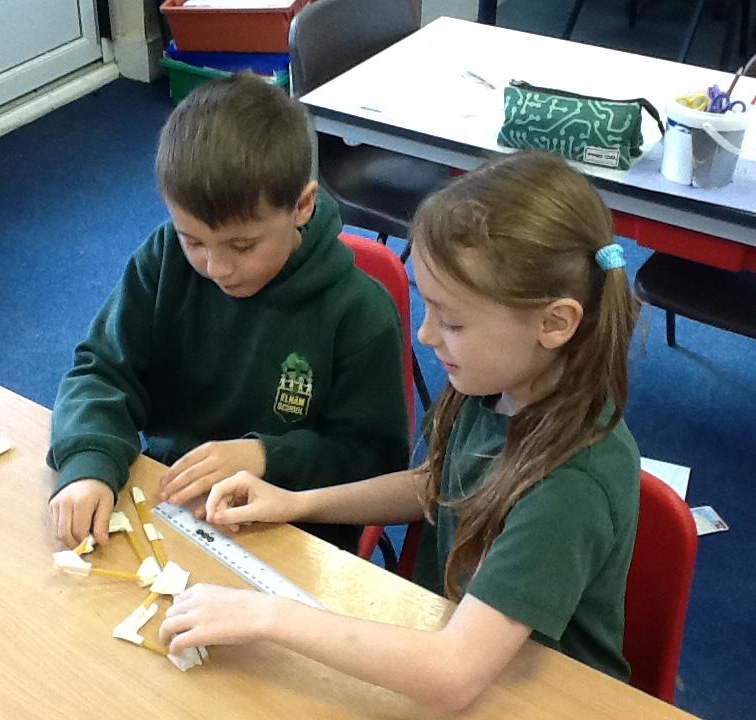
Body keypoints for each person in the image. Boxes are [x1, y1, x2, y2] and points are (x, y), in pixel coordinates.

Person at [158, 150, 641, 712]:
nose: (426, 334)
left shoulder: (570, 484)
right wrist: (298, 502)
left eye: (452, 320)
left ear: (554, 323)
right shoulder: (496, 386)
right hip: (467, 654)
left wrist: (266, 614)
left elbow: (453, 672)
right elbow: (437, 485)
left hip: (548, 699)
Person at [47, 73, 409, 553]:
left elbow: (374, 464)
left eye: (242, 245)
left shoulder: (359, 313)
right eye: (193, 241)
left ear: (302, 205)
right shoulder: (164, 260)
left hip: (295, 529)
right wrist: (88, 462)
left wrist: (266, 456)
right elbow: (101, 371)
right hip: (172, 499)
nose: (216, 268)